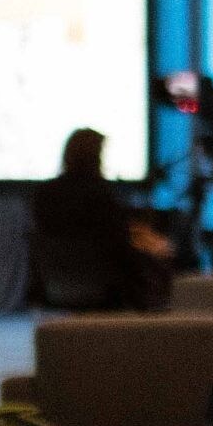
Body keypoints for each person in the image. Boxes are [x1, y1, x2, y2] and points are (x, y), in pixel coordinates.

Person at [28, 128, 174, 310]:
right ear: (95, 156)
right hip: (103, 285)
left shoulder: (44, 193)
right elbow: (117, 245)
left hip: (55, 285)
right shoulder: (99, 193)